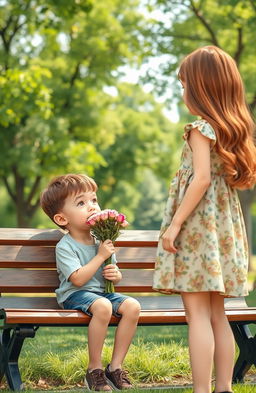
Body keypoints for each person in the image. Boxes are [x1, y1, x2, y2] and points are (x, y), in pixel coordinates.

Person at [153, 46, 256, 393]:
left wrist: (176, 224)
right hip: (222, 233)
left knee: (196, 315)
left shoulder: (200, 128)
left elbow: (199, 179)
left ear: (201, 87)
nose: (183, 93)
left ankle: (201, 390)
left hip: (198, 232)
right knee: (218, 315)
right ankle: (224, 388)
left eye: (184, 86)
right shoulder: (232, 131)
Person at [40, 174, 141, 391]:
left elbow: (113, 269)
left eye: (94, 200)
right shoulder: (66, 246)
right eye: (81, 203)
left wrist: (115, 274)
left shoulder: (102, 238)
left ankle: (115, 367)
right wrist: (99, 256)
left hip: (101, 294)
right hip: (75, 295)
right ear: (62, 219)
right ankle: (94, 369)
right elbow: (77, 279)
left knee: (133, 306)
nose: (92, 206)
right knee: (103, 307)